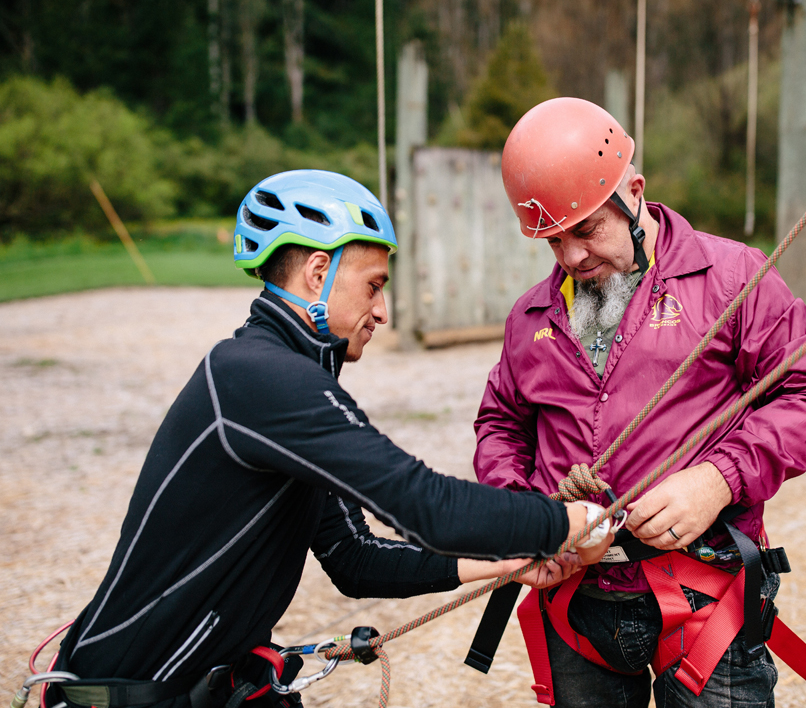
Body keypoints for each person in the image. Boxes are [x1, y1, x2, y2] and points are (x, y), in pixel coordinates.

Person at [48, 170, 612, 708]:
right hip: (132, 689)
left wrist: (509, 562)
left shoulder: (281, 376)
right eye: (373, 286)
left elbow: (354, 557)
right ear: (318, 273)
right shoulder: (261, 376)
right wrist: (567, 521)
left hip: (211, 682)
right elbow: (425, 505)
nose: (382, 312)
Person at [473, 98, 806, 707]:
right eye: (553, 241)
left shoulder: (733, 279)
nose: (571, 258)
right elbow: (501, 424)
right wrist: (528, 516)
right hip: (576, 605)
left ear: (634, 193)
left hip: (705, 596)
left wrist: (718, 479)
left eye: (586, 230)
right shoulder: (530, 318)